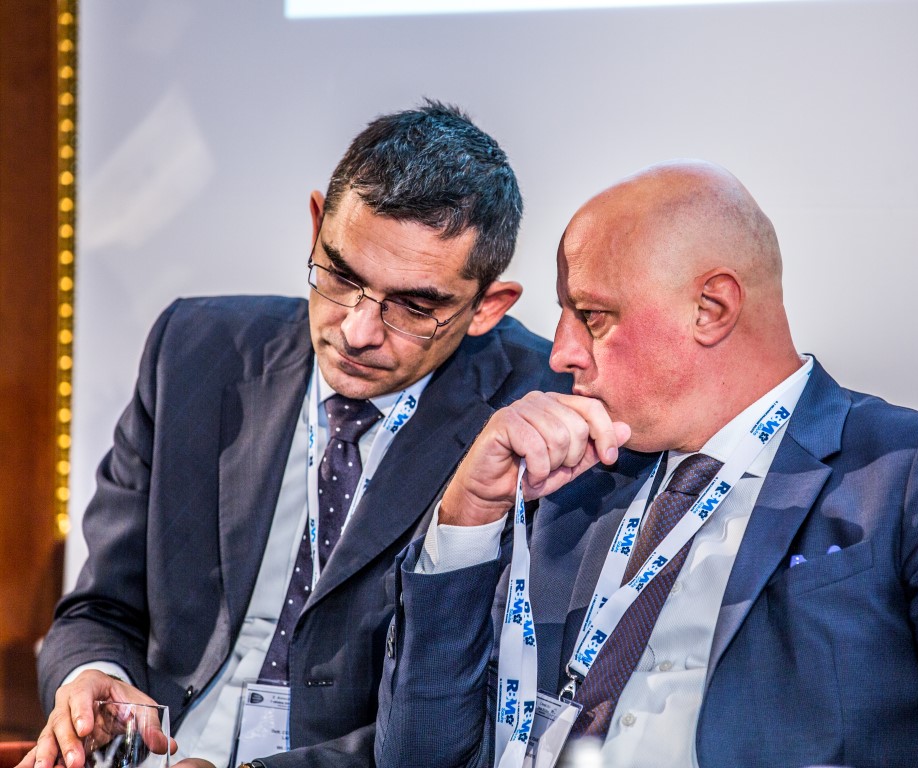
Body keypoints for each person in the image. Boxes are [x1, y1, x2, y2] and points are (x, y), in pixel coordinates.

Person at [374, 160, 918, 767]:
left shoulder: (916, 467)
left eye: (592, 316)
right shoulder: (569, 484)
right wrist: (469, 516)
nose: (562, 353)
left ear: (712, 308)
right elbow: (418, 756)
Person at [26, 101, 570, 768]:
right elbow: (100, 610)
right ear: (316, 227)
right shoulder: (193, 351)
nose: (358, 333)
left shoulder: (534, 410)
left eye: (413, 306)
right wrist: (92, 679)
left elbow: (477, 713)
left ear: (487, 307)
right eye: (341, 277)